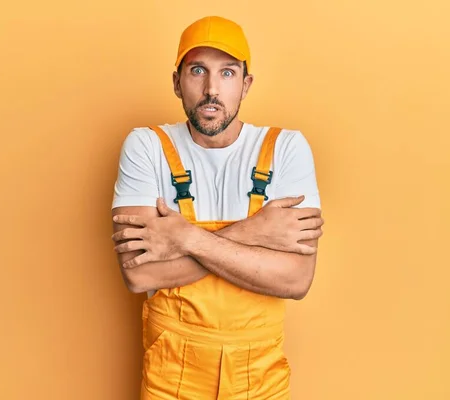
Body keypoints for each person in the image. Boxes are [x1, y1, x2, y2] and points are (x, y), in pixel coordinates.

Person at [111, 15, 324, 400]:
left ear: (246, 84)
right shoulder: (146, 147)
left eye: (227, 73)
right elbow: (139, 277)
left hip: (260, 378)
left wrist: (184, 239)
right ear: (177, 82)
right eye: (197, 71)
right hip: (170, 374)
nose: (212, 89)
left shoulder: (287, 149)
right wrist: (254, 232)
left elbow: (296, 280)